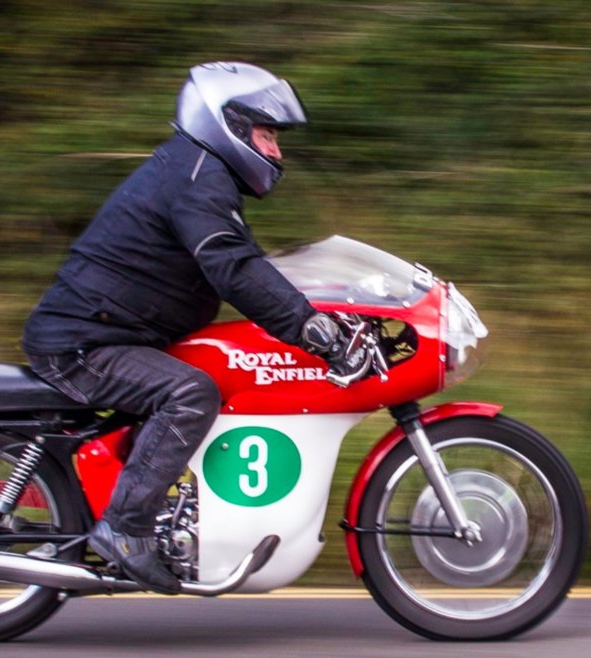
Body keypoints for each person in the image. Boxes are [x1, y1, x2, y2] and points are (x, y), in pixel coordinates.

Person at [21, 62, 348, 593]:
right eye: (267, 135)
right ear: (231, 125)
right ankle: (125, 529)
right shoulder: (197, 178)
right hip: (82, 345)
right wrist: (311, 329)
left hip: (113, 331)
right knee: (192, 392)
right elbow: (234, 268)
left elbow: (244, 263)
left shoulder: (198, 173)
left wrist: (312, 306)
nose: (276, 152)